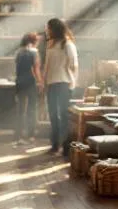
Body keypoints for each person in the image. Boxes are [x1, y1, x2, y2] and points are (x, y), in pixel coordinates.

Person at [43, 18, 79, 155]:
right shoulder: (51, 45)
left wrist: (73, 82)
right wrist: (44, 82)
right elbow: (47, 65)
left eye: (48, 28)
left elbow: (74, 64)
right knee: (53, 115)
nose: (47, 30)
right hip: (52, 83)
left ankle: (66, 147)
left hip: (64, 83)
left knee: (64, 116)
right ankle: (55, 145)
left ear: (55, 29)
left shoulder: (68, 44)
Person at [12, 32, 43, 145]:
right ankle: (31, 135)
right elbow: (36, 69)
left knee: (20, 109)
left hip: (20, 82)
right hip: (30, 82)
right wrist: (40, 82)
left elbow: (16, 68)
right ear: (32, 42)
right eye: (37, 42)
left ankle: (19, 135)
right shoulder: (34, 52)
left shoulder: (18, 52)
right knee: (32, 109)